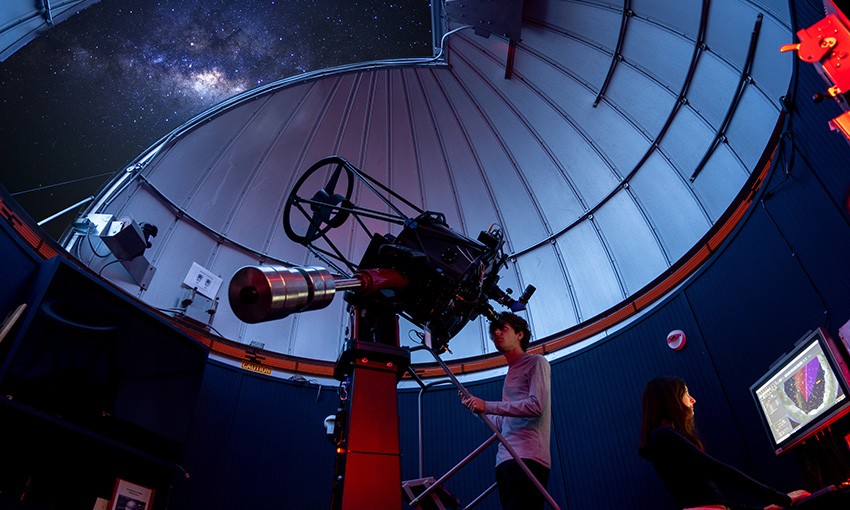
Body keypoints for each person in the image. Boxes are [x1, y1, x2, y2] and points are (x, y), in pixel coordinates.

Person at [638, 376, 810, 510]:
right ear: (672, 400)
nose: (693, 400)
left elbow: (712, 499)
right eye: (686, 393)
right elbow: (719, 471)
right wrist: (782, 499)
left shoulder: (661, 438)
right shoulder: (663, 435)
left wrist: (764, 508)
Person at [460, 311, 552, 510]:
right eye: (494, 330)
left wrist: (487, 405)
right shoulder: (511, 372)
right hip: (505, 460)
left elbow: (536, 406)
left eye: (503, 328)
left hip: (528, 458)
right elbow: (504, 423)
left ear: (520, 334)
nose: (497, 333)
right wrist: (475, 407)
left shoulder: (536, 362)